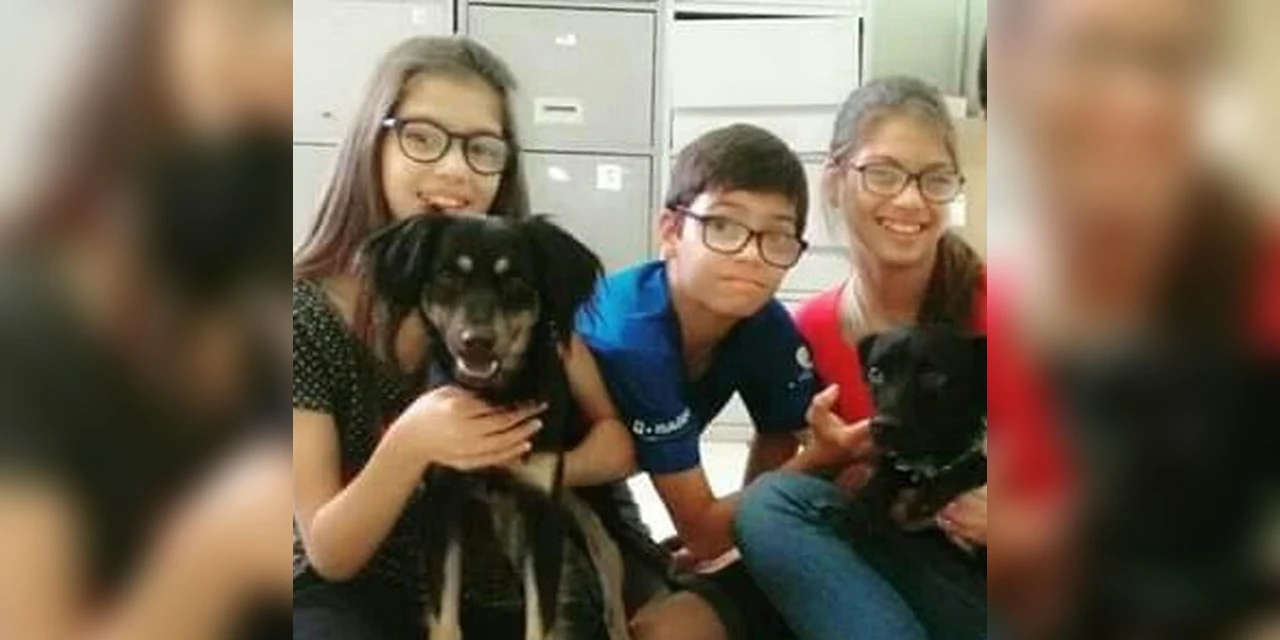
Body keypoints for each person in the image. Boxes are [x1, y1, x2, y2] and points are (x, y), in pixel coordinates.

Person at [291, 36, 647, 638]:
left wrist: (541, 466)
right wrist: (410, 445)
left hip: (502, 584)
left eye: (482, 148)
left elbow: (616, 441)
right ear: (371, 144)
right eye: (423, 136)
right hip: (355, 589)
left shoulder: (529, 310)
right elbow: (328, 553)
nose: (456, 168)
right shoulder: (304, 319)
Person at [988, 1, 1280, 637]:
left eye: (1168, 62)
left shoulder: (1259, 273)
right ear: (1015, 69)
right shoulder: (994, 312)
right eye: (1092, 54)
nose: (1137, 101)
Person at [577, 123, 861, 640]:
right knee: (611, 616)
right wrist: (818, 458)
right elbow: (704, 531)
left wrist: (748, 531)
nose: (751, 253)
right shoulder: (633, 338)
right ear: (670, 231)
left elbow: (778, 432)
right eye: (724, 226)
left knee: (672, 587)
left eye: (777, 236)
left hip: (612, 481)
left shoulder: (764, 323)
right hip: (541, 476)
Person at [732, 77, 988, 640]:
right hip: (895, 570)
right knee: (774, 507)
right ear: (833, 179)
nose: (910, 200)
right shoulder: (807, 331)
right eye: (883, 172)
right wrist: (823, 460)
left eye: (935, 179)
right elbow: (774, 503)